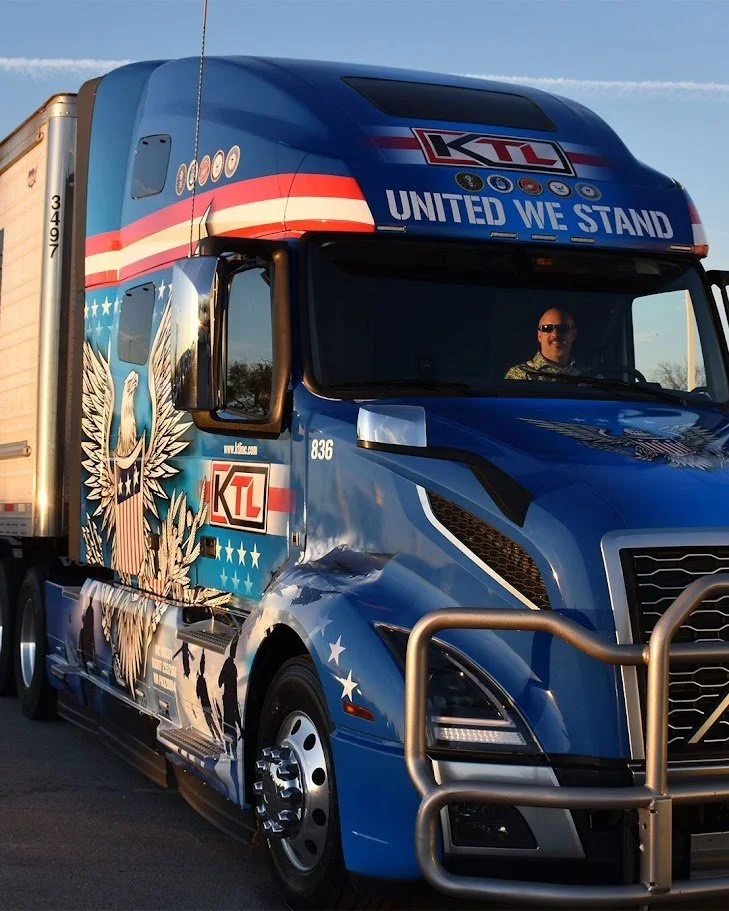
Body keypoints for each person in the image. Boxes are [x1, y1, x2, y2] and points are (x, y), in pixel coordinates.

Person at [505, 308, 582, 380]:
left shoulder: (588, 375)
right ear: (539, 336)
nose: (555, 334)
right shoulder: (520, 375)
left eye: (563, 328)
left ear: (574, 334)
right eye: (547, 328)